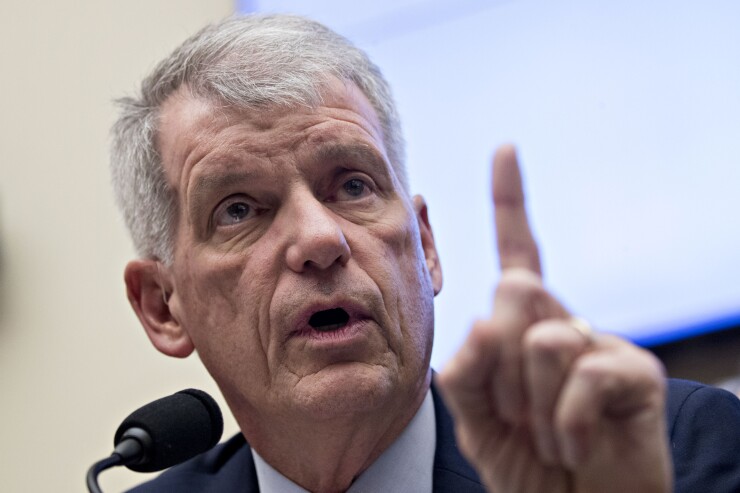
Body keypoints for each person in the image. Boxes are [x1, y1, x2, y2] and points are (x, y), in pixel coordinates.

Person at [110, 14, 740, 493]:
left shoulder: (668, 453)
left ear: (426, 247)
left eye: (354, 186)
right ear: (163, 307)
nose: (321, 239)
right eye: (240, 210)